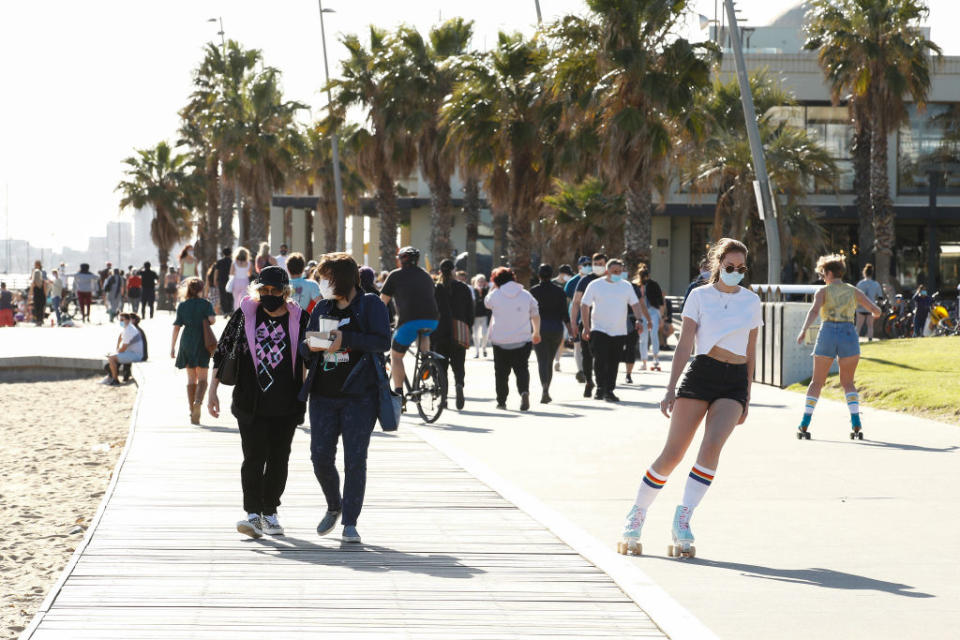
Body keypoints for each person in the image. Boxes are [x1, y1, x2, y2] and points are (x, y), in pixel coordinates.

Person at [618, 238, 762, 558]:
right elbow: (685, 345)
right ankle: (636, 515)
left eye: (741, 268)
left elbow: (751, 351)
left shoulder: (752, 301)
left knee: (711, 448)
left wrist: (748, 396)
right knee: (673, 453)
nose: (735, 272)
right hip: (702, 374)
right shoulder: (699, 296)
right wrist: (670, 388)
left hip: (734, 382)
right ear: (717, 266)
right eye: (729, 267)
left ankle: (683, 518)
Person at [209, 266, 309, 539]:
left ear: (285, 292)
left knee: (279, 458)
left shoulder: (300, 319)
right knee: (253, 457)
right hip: (249, 401)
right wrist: (212, 391)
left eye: (275, 290)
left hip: (287, 403)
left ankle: (271, 512)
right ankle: (252, 514)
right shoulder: (245, 315)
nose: (268, 295)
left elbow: (312, 357)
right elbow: (223, 350)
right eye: (263, 290)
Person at [302, 253, 392, 544]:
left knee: (355, 460)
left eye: (325, 278)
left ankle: (350, 522)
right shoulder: (323, 307)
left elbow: (382, 341)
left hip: (359, 396)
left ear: (341, 278)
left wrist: (347, 339)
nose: (322, 284)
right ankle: (334, 504)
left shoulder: (370, 305)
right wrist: (313, 344)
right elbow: (306, 346)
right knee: (320, 458)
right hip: (323, 396)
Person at [796, 254, 881, 440]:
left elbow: (814, 311)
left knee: (817, 382)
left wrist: (803, 331)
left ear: (829, 272)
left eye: (822, 273)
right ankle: (856, 422)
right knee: (848, 382)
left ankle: (804, 423)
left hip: (827, 332)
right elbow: (875, 310)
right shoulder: (853, 291)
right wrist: (875, 315)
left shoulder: (823, 292)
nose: (822, 277)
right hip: (848, 333)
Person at [581, 259, 649, 402]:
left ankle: (609, 390)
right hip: (599, 329)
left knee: (613, 362)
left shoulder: (626, 286)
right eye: (615, 271)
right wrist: (586, 327)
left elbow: (635, 304)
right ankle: (600, 388)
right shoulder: (595, 285)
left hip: (619, 331)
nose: (618, 274)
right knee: (600, 359)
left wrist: (639, 320)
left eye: (620, 271)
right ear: (607, 271)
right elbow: (584, 305)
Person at [379, 247, 440, 395]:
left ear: (400, 260)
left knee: (396, 356)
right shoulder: (426, 275)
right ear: (417, 260)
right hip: (432, 320)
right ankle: (426, 361)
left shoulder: (395, 275)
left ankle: (399, 392)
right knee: (424, 334)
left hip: (408, 321)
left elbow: (381, 303)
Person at [485, 267, 541, 411]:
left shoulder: (495, 295)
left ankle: (502, 401)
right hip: (522, 339)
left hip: (500, 340)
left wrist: (494, 288)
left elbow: (486, 303)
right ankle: (524, 392)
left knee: (501, 373)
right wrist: (536, 332)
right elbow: (535, 313)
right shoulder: (526, 295)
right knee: (522, 369)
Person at [171, 278, 217, 424]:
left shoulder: (183, 305)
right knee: (203, 377)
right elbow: (212, 320)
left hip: (186, 341)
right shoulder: (205, 304)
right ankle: (198, 402)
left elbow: (177, 326)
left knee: (191, 378)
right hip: (202, 340)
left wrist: (172, 347)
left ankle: (192, 410)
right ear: (201, 289)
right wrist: (205, 318)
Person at [433, 259, 475, 410]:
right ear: (454, 270)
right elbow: (471, 310)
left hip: (440, 331)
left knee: (441, 366)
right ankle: (459, 384)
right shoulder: (463, 288)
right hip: (459, 328)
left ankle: (443, 397)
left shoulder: (436, 288)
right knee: (459, 363)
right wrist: (468, 326)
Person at [570, 253, 608, 398]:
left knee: (602, 355)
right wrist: (573, 322)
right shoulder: (585, 280)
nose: (598, 266)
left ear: (606, 264)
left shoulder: (610, 280)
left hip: (604, 324)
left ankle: (602, 385)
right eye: (596, 263)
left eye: (601, 263)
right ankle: (589, 381)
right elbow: (576, 301)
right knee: (586, 355)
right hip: (586, 323)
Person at [530, 264, 569, 404]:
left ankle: (544, 387)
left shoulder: (533, 291)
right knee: (550, 360)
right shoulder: (559, 291)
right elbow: (565, 313)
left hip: (538, 329)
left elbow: (527, 312)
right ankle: (547, 389)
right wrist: (571, 330)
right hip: (556, 329)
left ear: (539, 275)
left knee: (542, 360)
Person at [564, 257, 592, 382]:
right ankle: (580, 370)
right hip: (577, 315)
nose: (587, 266)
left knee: (590, 345)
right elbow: (570, 300)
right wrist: (571, 320)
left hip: (591, 316)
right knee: (577, 344)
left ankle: (589, 369)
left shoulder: (594, 279)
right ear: (579, 267)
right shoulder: (572, 281)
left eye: (589, 264)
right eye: (584, 264)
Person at [102, 312, 146, 386]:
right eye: (120, 320)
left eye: (122, 320)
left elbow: (123, 348)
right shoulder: (128, 328)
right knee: (112, 356)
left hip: (136, 355)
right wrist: (117, 347)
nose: (121, 322)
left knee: (112, 358)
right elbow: (121, 336)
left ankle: (115, 379)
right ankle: (112, 376)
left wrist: (115, 352)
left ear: (128, 320)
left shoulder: (129, 330)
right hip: (133, 353)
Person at [637, 265, 666, 372]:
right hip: (641, 312)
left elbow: (661, 301)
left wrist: (661, 316)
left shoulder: (654, 284)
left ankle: (655, 358)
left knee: (653, 334)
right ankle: (644, 361)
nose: (645, 278)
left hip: (653, 311)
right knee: (643, 337)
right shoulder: (637, 285)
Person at [855, 263, 883, 341]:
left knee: (858, 326)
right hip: (871, 307)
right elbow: (880, 296)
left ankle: (855, 340)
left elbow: (855, 295)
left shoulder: (860, 284)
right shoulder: (875, 284)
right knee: (870, 326)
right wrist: (879, 306)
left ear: (864, 273)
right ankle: (870, 339)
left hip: (860, 307)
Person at [470, 274, 491, 358]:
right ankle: (477, 351)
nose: (481, 283)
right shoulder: (473, 290)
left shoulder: (487, 291)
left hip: (484, 315)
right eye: (479, 281)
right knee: (475, 335)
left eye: (482, 281)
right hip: (475, 316)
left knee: (484, 334)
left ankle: (484, 348)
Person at [215, 247, 234, 316]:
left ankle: (225, 311)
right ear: (230, 253)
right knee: (230, 296)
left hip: (221, 281)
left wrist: (215, 280)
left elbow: (216, 272)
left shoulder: (219, 262)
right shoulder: (232, 261)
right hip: (230, 281)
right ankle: (230, 310)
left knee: (222, 296)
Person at [31, 261, 47, 326]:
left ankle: (38, 320)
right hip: (41, 293)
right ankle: (40, 320)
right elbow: (44, 284)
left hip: (38, 293)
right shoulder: (36, 272)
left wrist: (31, 294)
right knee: (40, 307)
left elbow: (32, 284)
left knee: (37, 307)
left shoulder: (39, 272)